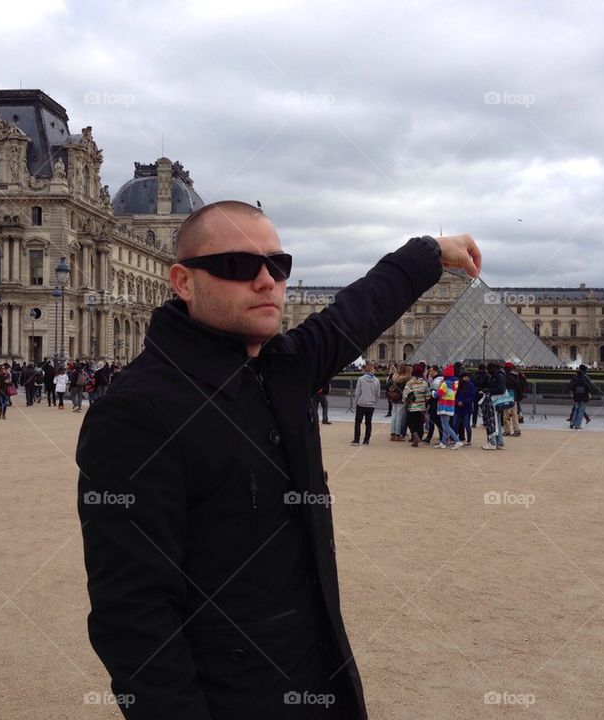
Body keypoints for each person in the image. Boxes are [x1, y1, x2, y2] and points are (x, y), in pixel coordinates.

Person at [75, 200, 481, 719]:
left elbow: (357, 310)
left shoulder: (283, 367)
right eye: (238, 266)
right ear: (182, 281)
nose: (267, 280)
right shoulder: (135, 411)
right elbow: (133, 617)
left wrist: (428, 252)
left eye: (278, 264)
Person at [434, 364, 463, 449]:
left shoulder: (445, 384)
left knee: (445, 425)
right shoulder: (455, 383)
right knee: (445, 425)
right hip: (450, 405)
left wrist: (433, 393)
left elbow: (438, 394)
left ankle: (457, 441)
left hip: (443, 405)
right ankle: (443, 442)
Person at [351, 362, 379, 446]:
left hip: (361, 403)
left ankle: (356, 440)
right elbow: (377, 394)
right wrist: (374, 401)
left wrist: (357, 401)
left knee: (358, 422)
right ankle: (366, 440)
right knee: (368, 423)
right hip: (371, 404)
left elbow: (357, 393)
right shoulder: (377, 380)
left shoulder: (361, 379)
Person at [402, 362, 430, 447]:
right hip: (421, 407)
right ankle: (418, 438)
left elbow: (405, 394)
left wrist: (405, 400)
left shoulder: (410, 382)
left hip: (412, 407)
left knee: (411, 423)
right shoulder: (424, 383)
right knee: (420, 423)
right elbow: (428, 396)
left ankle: (414, 435)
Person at [387, 362, 411, 441]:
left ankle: (392, 434)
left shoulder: (395, 376)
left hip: (394, 397)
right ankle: (398, 434)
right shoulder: (405, 378)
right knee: (399, 417)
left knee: (394, 415)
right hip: (401, 398)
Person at [568, 365, 595, 430]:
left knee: (576, 409)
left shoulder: (574, 377)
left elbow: (570, 386)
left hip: (576, 396)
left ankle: (572, 424)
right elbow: (591, 387)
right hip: (584, 396)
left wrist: (573, 393)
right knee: (581, 411)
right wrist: (588, 393)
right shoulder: (586, 378)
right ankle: (577, 425)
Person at [454, 369, 475, 446]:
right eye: (466, 376)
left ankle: (469, 439)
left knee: (466, 424)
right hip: (458, 407)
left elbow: (472, 396)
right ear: (462, 377)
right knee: (455, 424)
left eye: (468, 376)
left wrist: (463, 402)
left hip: (466, 407)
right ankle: (455, 438)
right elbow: (453, 395)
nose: (467, 377)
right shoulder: (457, 385)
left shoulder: (471, 385)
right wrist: (457, 402)